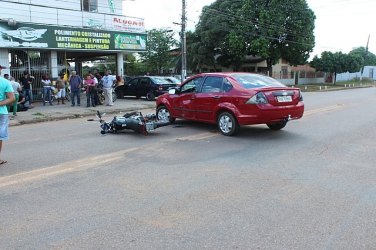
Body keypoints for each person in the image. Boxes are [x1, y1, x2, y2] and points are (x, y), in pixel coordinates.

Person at [0, 65, 16, 165]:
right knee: (0, 137)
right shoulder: (5, 82)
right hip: (2, 113)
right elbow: (11, 98)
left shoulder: (5, 82)